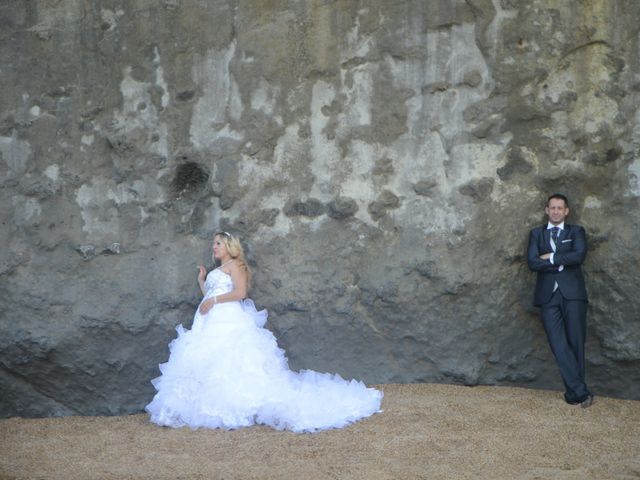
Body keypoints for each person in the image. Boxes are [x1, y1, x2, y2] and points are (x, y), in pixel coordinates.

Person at [145, 231, 382, 432]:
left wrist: (214, 299)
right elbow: (209, 296)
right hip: (209, 321)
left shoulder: (236, 265)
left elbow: (240, 294)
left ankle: (237, 404)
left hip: (228, 320)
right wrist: (202, 281)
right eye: (213, 244)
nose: (213, 247)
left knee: (230, 359)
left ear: (229, 246)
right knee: (211, 361)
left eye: (218, 243)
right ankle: (207, 405)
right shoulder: (220, 269)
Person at [527, 194, 593, 407]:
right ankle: (581, 391)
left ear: (566, 211)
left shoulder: (576, 232)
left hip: (573, 294)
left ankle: (575, 395)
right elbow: (533, 263)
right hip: (548, 296)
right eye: (552, 208)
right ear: (547, 210)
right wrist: (561, 260)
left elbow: (579, 256)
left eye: (560, 208)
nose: (556, 211)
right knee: (557, 344)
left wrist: (551, 258)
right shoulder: (536, 234)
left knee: (575, 342)